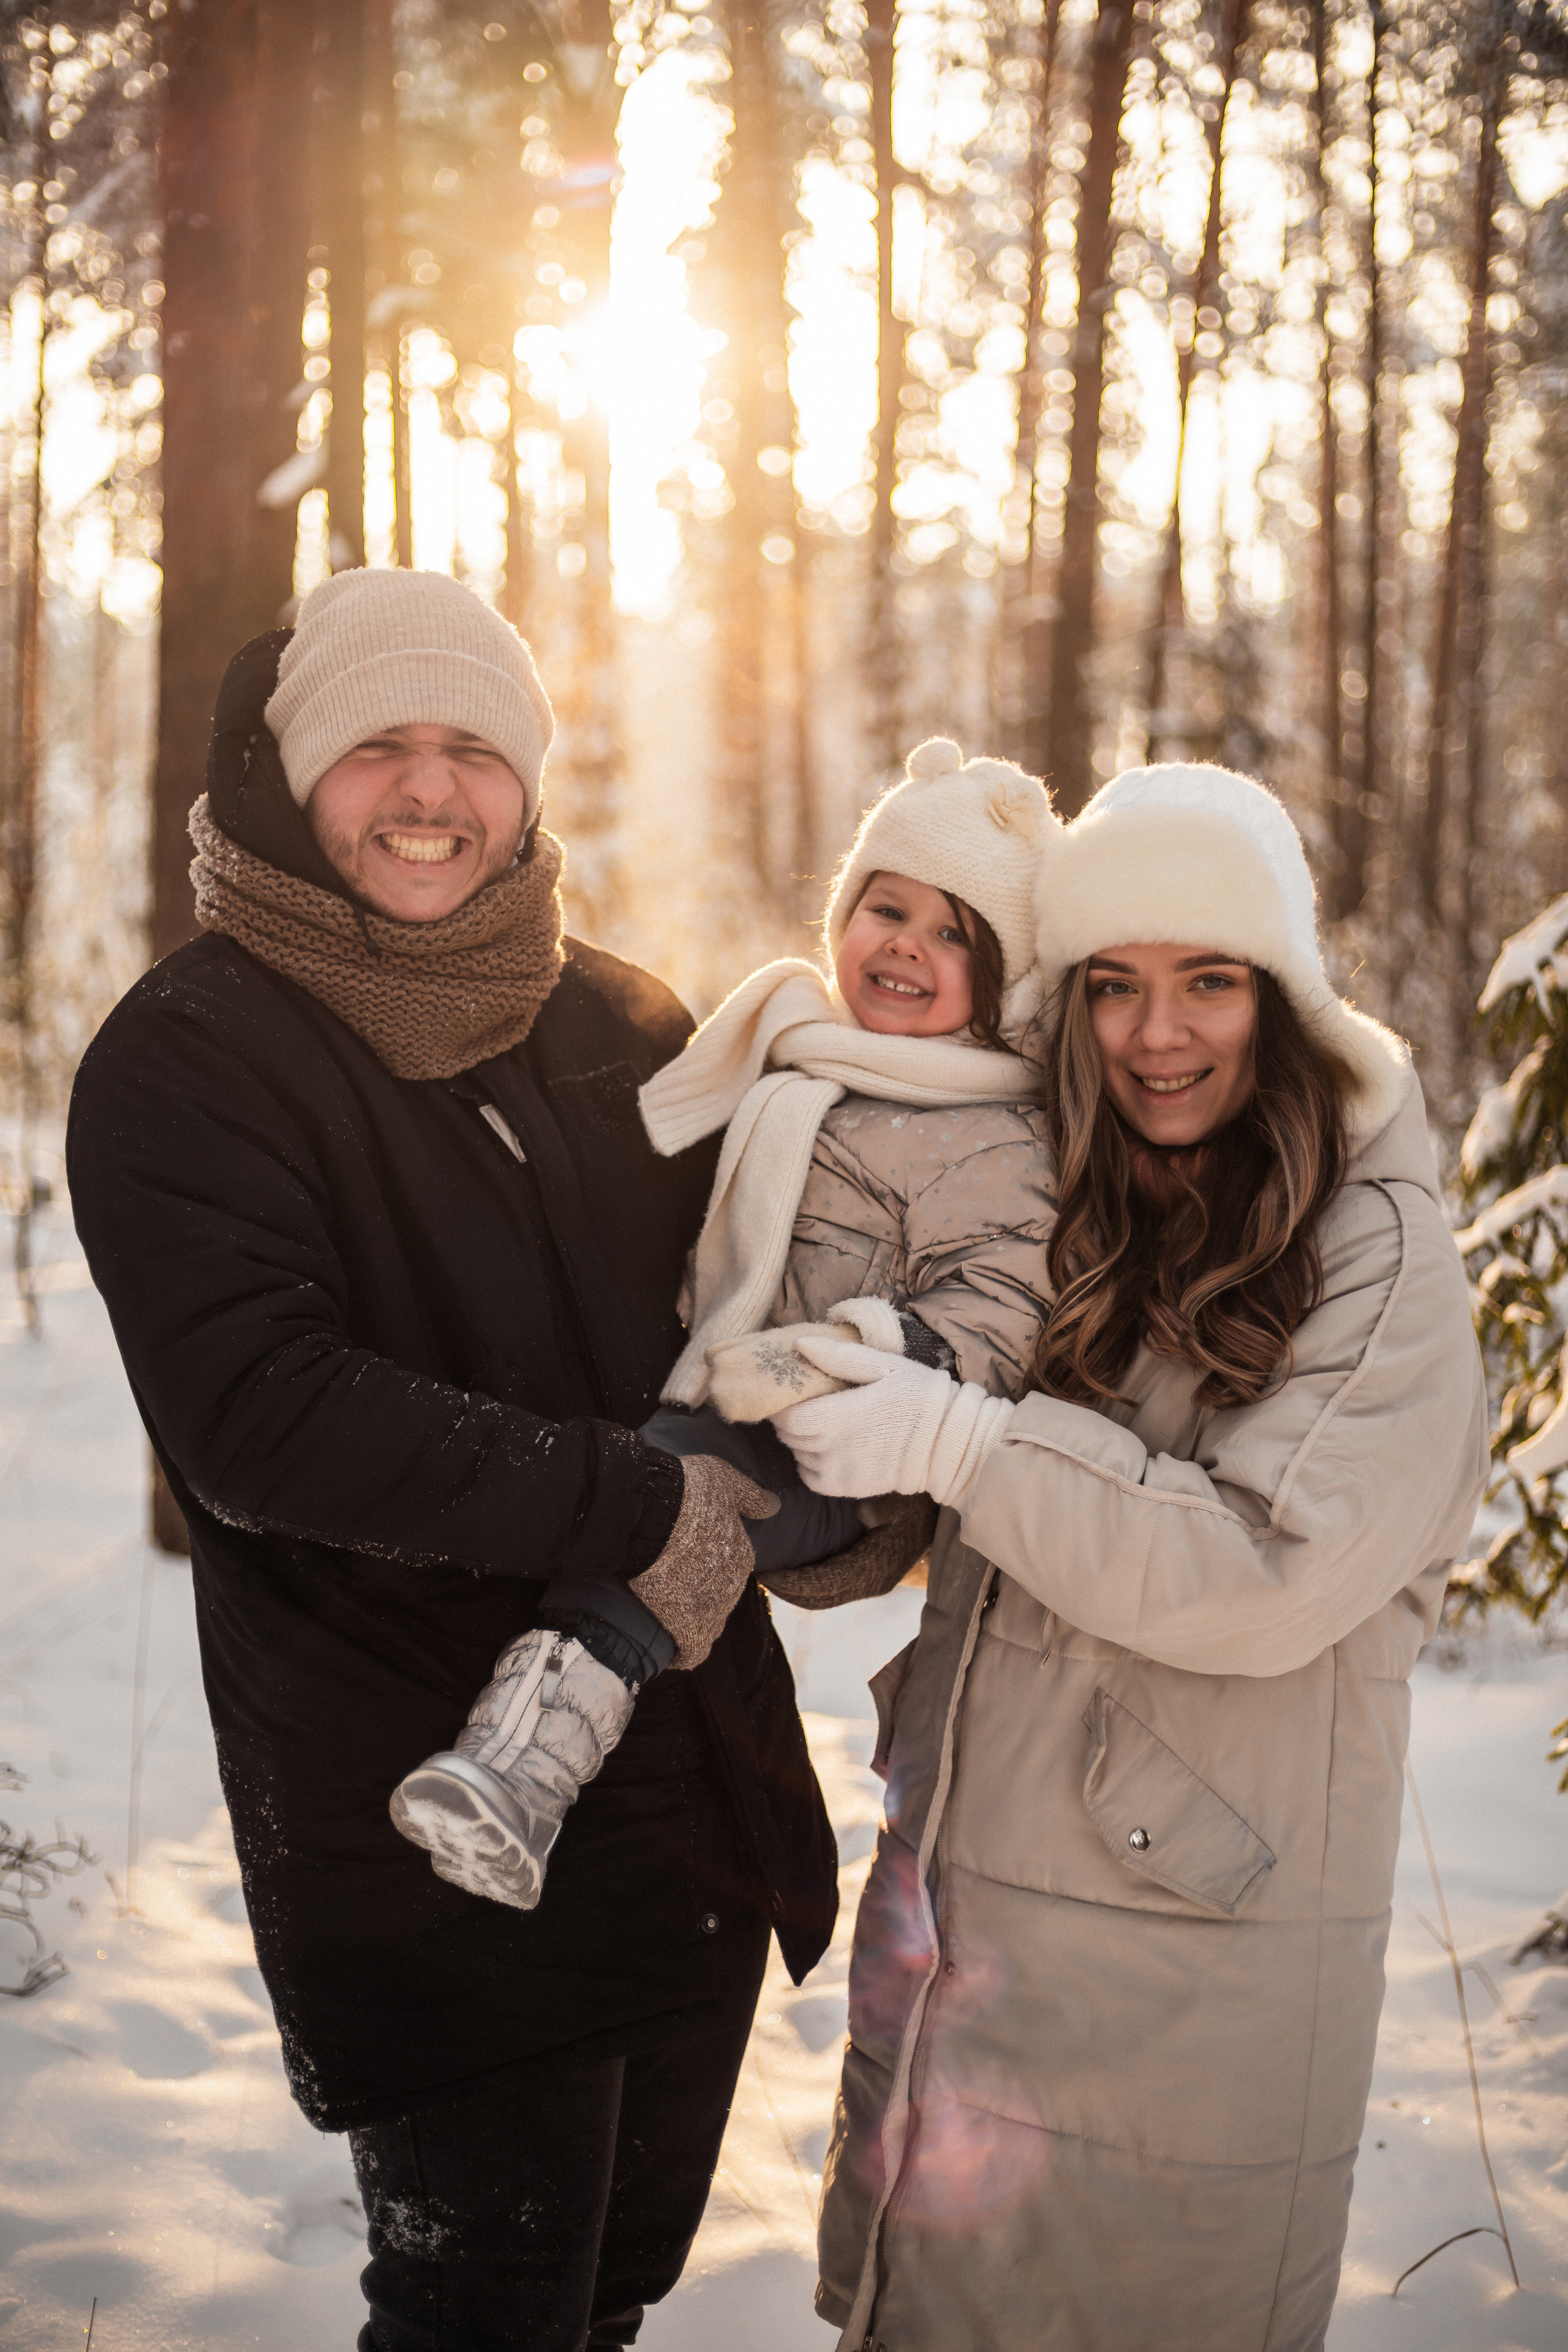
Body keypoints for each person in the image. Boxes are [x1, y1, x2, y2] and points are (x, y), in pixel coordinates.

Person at [66, 567, 838, 2352]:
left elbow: (758, 1314)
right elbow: (261, 1417)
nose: (431, 791)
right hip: (424, 1820)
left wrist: (843, 1477)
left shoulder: (626, 1026)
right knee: (478, 2315)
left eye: (476, 749)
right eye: (380, 746)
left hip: (690, 1803)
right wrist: (646, 1502)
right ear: (290, 772)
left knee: (612, 2300)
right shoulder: (191, 1058)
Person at [771, 763, 1491, 2352]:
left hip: (1186, 1994)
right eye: (1114, 986)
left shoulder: (1377, 1253)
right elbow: (945, 1522)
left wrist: (964, 1445)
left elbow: (1260, 1574)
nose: (1158, 1034)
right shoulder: (1067, 1210)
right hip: (972, 1939)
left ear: (1281, 998)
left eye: (1208, 981)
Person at [394, 735, 1065, 1913]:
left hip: (843, 1443)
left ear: (1003, 981)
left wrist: (870, 1357)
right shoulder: (796, 1054)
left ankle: (528, 1769)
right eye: (887, 908)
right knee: (644, 1491)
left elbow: (1002, 1311)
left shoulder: (996, 1133)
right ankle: (511, 1751)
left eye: (954, 933)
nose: (907, 944)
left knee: (679, 1511)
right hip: (723, 1397)